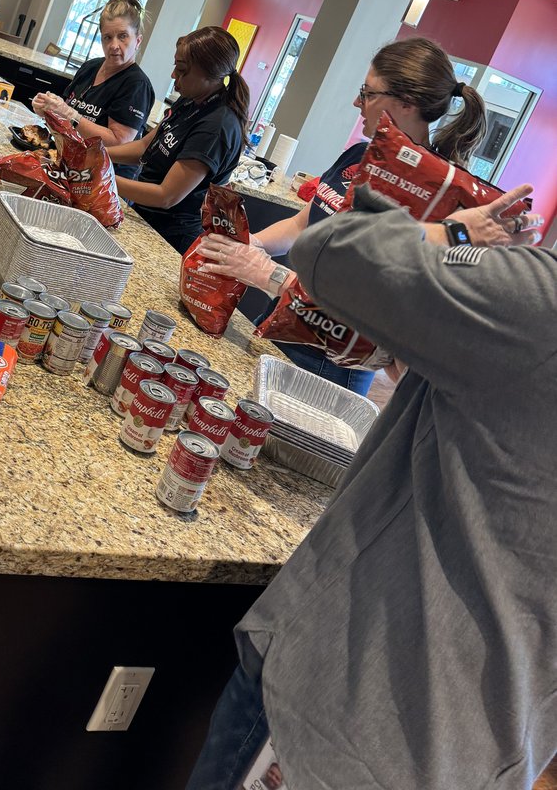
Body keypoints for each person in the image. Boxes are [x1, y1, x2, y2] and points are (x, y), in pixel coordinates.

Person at [186, 179, 552, 790]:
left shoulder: (541, 302)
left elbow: (337, 248)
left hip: (337, 704)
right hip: (486, 749)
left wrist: (462, 233)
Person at [198, 36, 489, 395]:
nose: (357, 102)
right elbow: (303, 223)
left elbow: (369, 310)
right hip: (280, 325)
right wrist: (250, 244)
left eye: (368, 93)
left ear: (408, 103)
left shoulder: (433, 199)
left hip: (331, 364)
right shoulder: (357, 156)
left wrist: (265, 272)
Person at [105, 26, 249, 253]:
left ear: (211, 75)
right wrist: (95, 154)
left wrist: (101, 176)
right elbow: (146, 148)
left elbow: (166, 196)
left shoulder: (215, 127)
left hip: (170, 237)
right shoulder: (190, 100)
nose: (174, 75)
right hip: (145, 217)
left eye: (182, 70)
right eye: (176, 66)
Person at [31, 0, 155, 178]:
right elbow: (68, 112)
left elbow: (118, 142)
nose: (114, 45)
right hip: (71, 166)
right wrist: (50, 110)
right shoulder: (91, 67)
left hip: (103, 180)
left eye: (123, 36)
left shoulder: (136, 85)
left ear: (138, 40)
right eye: (107, 37)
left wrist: (70, 115)